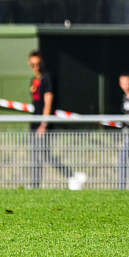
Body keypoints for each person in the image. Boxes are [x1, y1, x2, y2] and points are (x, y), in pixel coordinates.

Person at [28, 50, 86, 190]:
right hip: (34, 122)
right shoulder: (35, 80)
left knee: (43, 155)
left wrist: (44, 124)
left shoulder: (47, 78)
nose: (35, 67)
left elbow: (48, 102)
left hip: (43, 124)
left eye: (38, 63)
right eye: (33, 64)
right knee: (37, 155)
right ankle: (37, 184)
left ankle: (71, 176)